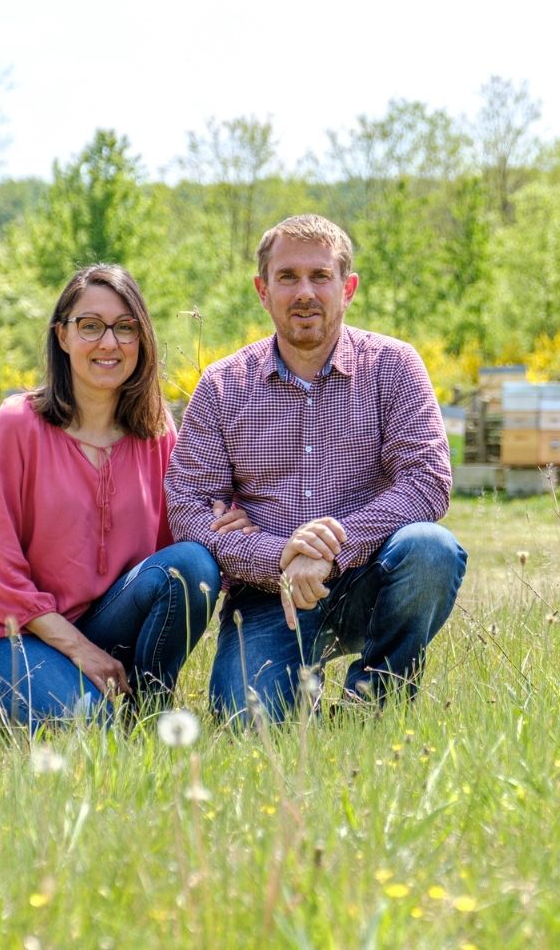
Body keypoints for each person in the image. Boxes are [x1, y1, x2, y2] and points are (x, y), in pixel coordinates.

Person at [167, 214, 464, 723]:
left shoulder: (394, 366)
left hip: (371, 577)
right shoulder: (222, 385)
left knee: (431, 549)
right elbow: (189, 507)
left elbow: (427, 481)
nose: (304, 292)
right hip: (268, 596)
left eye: (320, 276)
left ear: (347, 288)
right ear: (263, 291)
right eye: (287, 277)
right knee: (247, 722)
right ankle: (299, 697)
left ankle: (373, 702)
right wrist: (278, 556)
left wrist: (330, 548)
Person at [0, 264, 251, 728]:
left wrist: (227, 519)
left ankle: (150, 708)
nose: (109, 342)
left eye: (124, 327)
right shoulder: (19, 423)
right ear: (62, 336)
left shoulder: (155, 432)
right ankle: (88, 700)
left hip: (111, 622)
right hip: (18, 633)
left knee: (193, 564)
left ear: (141, 339)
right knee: (92, 728)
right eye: (90, 326)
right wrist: (79, 650)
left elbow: (180, 539)